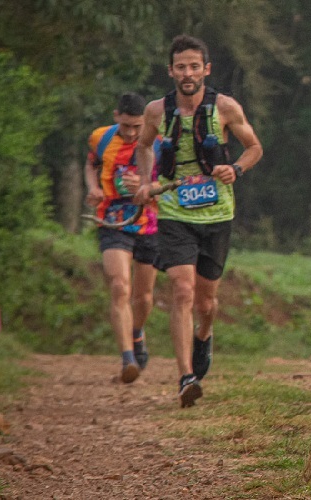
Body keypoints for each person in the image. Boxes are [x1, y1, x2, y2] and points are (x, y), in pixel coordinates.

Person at [134, 35, 263, 408]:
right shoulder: (156, 112)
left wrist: (235, 167)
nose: (187, 73)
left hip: (218, 213)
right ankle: (185, 376)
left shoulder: (225, 107)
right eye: (180, 67)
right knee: (182, 291)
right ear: (170, 70)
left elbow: (254, 147)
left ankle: (204, 334)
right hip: (174, 212)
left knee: (206, 302)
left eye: (194, 66)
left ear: (206, 69)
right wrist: (146, 182)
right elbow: (143, 145)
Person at [84, 92, 161, 384]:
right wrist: (93, 187)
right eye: (126, 126)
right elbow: (90, 164)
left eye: (137, 127)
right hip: (111, 221)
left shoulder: (160, 142)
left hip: (149, 223)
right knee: (119, 286)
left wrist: (147, 185)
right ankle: (127, 358)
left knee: (143, 297)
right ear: (116, 116)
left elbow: (170, 182)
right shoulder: (100, 138)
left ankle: (137, 332)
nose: (130, 133)